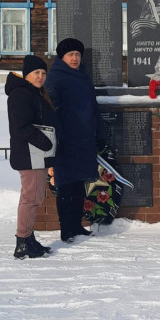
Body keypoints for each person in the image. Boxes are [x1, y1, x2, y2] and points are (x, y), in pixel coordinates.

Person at [46, 38, 107, 242]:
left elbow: (93, 109)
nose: (75, 58)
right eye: (70, 54)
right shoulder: (55, 78)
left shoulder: (83, 77)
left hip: (83, 140)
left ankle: (77, 225)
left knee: (79, 184)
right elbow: (50, 111)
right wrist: (57, 137)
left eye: (78, 55)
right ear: (62, 57)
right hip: (65, 141)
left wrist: (99, 134)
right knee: (65, 185)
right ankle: (66, 228)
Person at [5, 55, 57, 259]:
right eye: (36, 73)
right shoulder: (20, 94)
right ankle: (22, 242)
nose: (40, 76)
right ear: (27, 75)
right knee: (30, 198)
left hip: (35, 154)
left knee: (34, 198)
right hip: (30, 154)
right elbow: (20, 127)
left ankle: (28, 239)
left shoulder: (33, 93)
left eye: (43, 73)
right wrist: (45, 142)